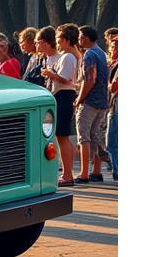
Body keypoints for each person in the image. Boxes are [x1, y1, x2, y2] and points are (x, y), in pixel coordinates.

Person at [40, 25, 78, 187]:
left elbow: (66, 80)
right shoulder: (63, 56)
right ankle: (66, 173)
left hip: (64, 95)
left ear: (67, 40)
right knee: (60, 136)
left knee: (63, 137)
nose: (57, 42)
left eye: (59, 39)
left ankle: (68, 174)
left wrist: (51, 74)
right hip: (59, 96)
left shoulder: (68, 57)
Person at [74, 26, 110, 183]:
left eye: (81, 37)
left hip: (90, 101)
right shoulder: (101, 52)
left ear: (86, 38)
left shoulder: (89, 54)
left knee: (84, 137)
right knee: (94, 136)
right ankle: (96, 171)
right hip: (102, 101)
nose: (79, 40)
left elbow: (89, 79)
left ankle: (83, 173)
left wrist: (79, 99)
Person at [104, 28, 118, 181]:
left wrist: (107, 84)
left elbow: (114, 86)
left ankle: (117, 170)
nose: (111, 48)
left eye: (114, 46)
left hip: (116, 104)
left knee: (112, 141)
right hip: (113, 103)